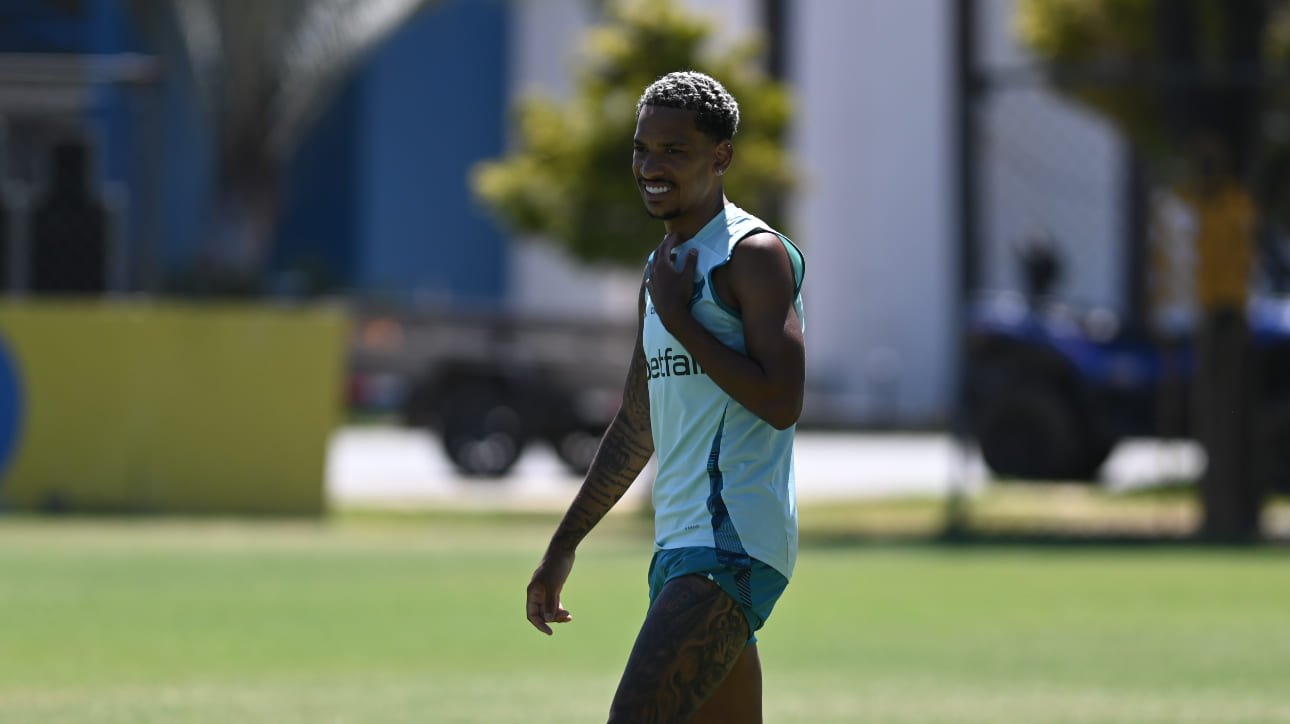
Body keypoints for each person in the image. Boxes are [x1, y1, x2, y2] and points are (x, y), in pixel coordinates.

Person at [525, 70, 806, 722]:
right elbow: (635, 423)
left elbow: (782, 399)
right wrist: (564, 544)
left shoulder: (752, 254)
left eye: (673, 151)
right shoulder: (664, 267)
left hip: (731, 545)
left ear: (721, 156)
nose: (651, 166)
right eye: (642, 148)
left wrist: (681, 322)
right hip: (680, 547)